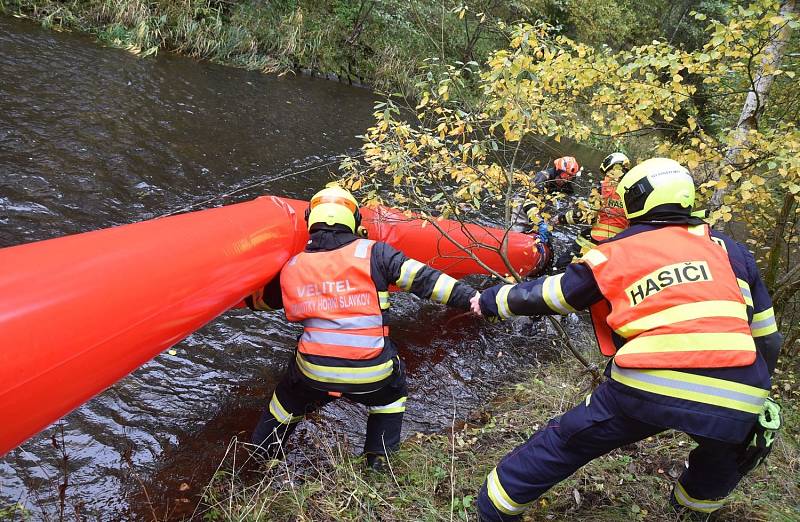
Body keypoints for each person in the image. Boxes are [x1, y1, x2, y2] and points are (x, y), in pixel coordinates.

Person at [471, 158, 782, 520]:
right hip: (740, 392)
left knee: (567, 441)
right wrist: (753, 394)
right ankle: (690, 512)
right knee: (727, 455)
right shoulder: (734, 253)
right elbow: (768, 340)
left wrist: (490, 300)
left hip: (649, 382)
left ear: (635, 201)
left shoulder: (619, 251)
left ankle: (493, 508)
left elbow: (555, 295)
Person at [244, 184, 479, 469]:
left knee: (284, 404)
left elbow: (258, 302)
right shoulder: (376, 254)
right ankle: (378, 462)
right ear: (355, 222)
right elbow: (427, 282)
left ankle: (260, 460)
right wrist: (474, 299)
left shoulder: (293, 266)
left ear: (310, 222)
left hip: (313, 373)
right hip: (372, 373)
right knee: (391, 398)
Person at [553, 152, 631, 270]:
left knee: (561, 266)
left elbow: (586, 215)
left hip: (594, 240)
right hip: (616, 247)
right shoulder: (632, 193)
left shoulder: (602, 189)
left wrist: (561, 218)